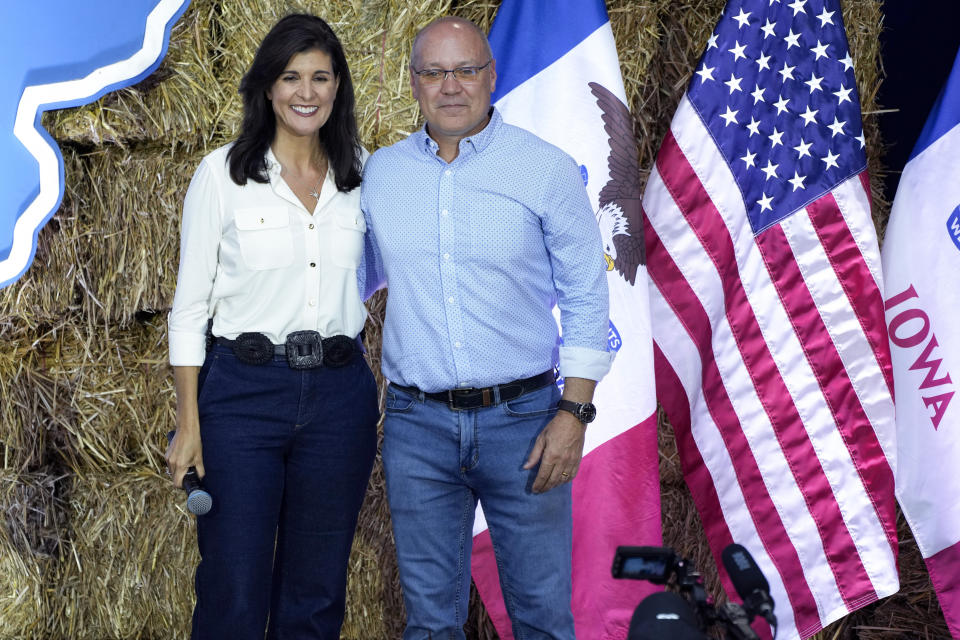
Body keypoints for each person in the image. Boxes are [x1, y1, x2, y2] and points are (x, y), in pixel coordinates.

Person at [359, 16, 612, 640]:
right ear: (413, 83)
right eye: (435, 72)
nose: (451, 86)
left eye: (466, 70)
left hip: (525, 423)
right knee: (429, 625)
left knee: (543, 621)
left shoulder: (546, 169)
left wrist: (573, 414)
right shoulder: (380, 176)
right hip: (418, 430)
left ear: (491, 77)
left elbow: (587, 293)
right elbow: (349, 279)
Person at [166, 14, 377, 640]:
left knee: (316, 596)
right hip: (243, 397)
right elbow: (188, 309)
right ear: (267, 86)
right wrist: (189, 422)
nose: (305, 92)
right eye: (291, 77)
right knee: (233, 585)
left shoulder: (365, 177)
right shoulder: (223, 175)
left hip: (340, 398)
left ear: (338, 87)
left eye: (320, 76)